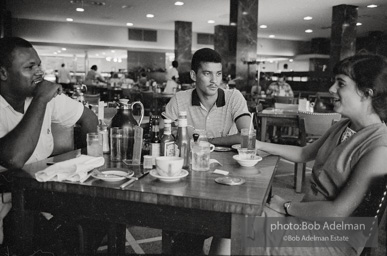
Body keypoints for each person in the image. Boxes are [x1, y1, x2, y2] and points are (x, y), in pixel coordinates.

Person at [211, 54, 387, 255]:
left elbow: (337, 213)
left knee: (242, 232)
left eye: (341, 83)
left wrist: (287, 206)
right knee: (230, 219)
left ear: (367, 93)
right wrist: (260, 144)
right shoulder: (343, 125)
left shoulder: (379, 148)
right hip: (309, 219)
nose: (331, 89)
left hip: (336, 238)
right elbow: (304, 153)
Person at [0, 37, 98, 251]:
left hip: (42, 191)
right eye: (29, 67)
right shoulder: (40, 97)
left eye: (39, 65)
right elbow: (13, 158)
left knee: (99, 215)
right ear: (3, 73)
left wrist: (90, 163)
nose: (39, 72)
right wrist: (41, 100)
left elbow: (89, 118)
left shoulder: (40, 95)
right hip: (7, 201)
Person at [165, 48, 251, 146]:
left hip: (228, 160)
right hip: (192, 159)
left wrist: (206, 142)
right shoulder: (179, 99)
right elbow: (161, 129)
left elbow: (247, 135)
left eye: (218, 74)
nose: (214, 80)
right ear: (193, 75)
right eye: (207, 73)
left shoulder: (233, 97)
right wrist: (173, 132)